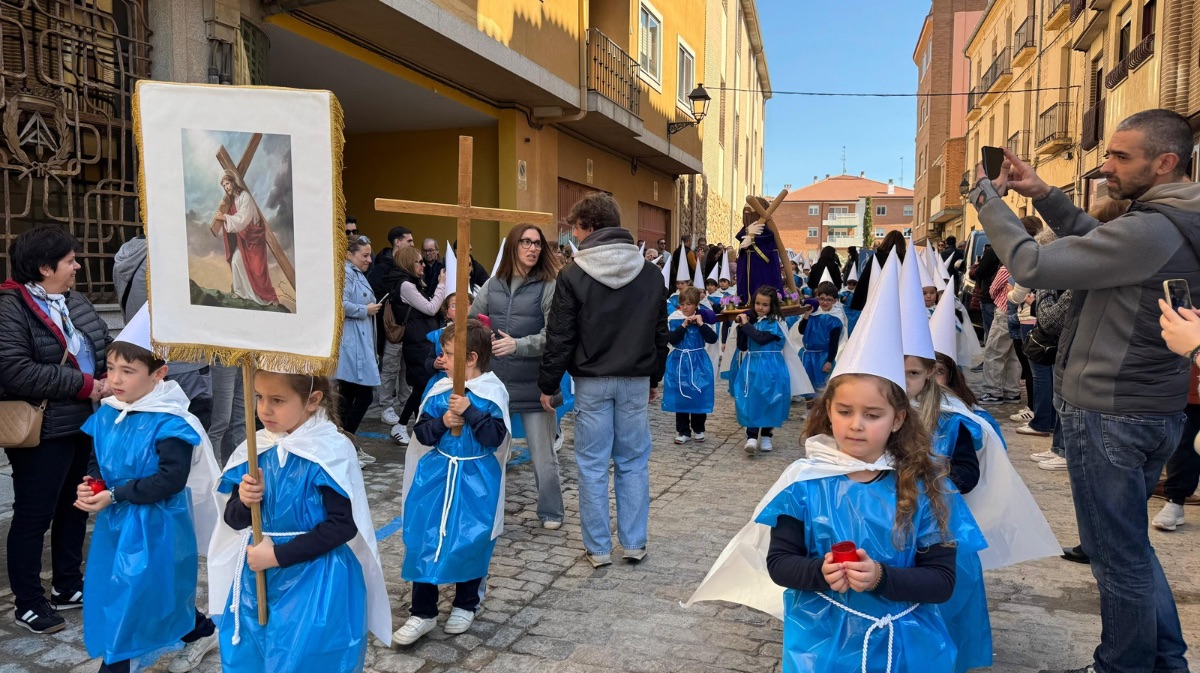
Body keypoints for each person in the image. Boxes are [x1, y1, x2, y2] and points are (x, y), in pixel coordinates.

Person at [972, 109, 1200, 673]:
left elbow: (1030, 263)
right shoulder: (1171, 221)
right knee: (1131, 550)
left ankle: (1120, 666)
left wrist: (988, 199)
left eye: (1121, 157)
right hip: (1149, 408)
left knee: (1114, 556)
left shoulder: (1151, 228)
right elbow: (1099, 239)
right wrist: (1044, 194)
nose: (1104, 167)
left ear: (1165, 162)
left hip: (1111, 412)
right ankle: (1166, 659)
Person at [208, 372, 390, 672]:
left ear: (312, 401)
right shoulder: (257, 447)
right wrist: (244, 499)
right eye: (259, 397)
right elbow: (233, 518)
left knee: (303, 660)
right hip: (260, 579)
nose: (264, 409)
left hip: (316, 578)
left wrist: (277, 555)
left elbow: (343, 524)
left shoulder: (329, 450)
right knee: (256, 656)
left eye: (277, 400)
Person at [75, 312, 222, 673]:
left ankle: (116, 665)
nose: (116, 379)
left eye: (128, 371)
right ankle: (201, 631)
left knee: (135, 594)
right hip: (118, 520)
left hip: (158, 522)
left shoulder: (170, 421)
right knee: (140, 591)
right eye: (110, 369)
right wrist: (91, 484)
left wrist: (116, 494)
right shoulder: (109, 412)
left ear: (159, 374)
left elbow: (170, 479)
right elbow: (99, 460)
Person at [539, 193, 668, 568]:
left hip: (592, 381)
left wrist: (549, 384)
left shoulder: (574, 273)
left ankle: (597, 549)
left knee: (592, 465)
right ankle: (634, 542)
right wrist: (654, 377)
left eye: (575, 229)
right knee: (633, 462)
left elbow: (559, 335)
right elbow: (660, 333)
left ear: (589, 227)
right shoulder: (649, 273)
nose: (573, 236)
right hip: (634, 379)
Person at [0, 226, 113, 634]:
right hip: (42, 429)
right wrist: (87, 384)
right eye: (69, 260)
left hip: (81, 421)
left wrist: (111, 372)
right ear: (45, 267)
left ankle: (68, 585)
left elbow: (98, 342)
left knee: (74, 506)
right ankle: (27, 602)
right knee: (34, 514)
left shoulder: (73, 300)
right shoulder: (10, 306)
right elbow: (16, 370)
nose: (77, 266)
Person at [394, 320, 510, 645]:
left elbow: (493, 438)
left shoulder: (491, 392)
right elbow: (422, 433)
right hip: (437, 475)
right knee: (423, 536)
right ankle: (423, 611)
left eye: (447, 354)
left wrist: (471, 411)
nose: (441, 360)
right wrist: (445, 420)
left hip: (475, 479)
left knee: (470, 539)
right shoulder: (441, 389)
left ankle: (465, 603)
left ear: (470, 359)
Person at [469, 224, 566, 530]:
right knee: (490, 452)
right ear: (513, 245)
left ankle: (552, 512)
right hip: (495, 384)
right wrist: (482, 334)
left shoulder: (548, 284)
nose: (533, 248)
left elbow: (554, 335)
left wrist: (518, 345)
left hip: (535, 383)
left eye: (537, 243)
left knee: (543, 455)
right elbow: (473, 322)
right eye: (526, 242)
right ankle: (484, 512)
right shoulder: (493, 284)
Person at [113, 234, 213, 429]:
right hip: (185, 364)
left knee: (151, 433)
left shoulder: (126, 254)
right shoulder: (171, 255)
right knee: (187, 436)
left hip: (143, 361)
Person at [385, 246, 447, 445]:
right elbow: (430, 308)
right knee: (422, 386)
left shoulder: (411, 283)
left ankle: (416, 425)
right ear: (408, 263)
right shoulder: (405, 285)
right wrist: (442, 286)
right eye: (418, 261)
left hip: (421, 340)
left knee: (422, 386)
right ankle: (402, 425)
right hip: (417, 342)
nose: (422, 265)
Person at [731, 287, 792, 454]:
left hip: (771, 365)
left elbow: (761, 338)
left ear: (772, 306)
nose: (760, 307)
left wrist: (746, 324)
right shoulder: (752, 321)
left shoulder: (776, 323)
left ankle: (766, 435)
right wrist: (741, 328)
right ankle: (751, 435)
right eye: (757, 303)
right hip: (752, 365)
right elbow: (742, 346)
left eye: (765, 304)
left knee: (770, 399)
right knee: (751, 397)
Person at [339, 237, 382, 466]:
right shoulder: (346, 274)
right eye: (364, 255)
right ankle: (345, 443)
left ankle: (345, 444)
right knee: (361, 396)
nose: (369, 259)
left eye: (369, 255)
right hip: (352, 343)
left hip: (358, 341)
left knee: (348, 397)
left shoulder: (356, 274)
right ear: (349, 254)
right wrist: (364, 310)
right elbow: (339, 303)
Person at [368, 226, 415, 427]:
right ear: (397, 242)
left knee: (407, 368)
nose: (413, 244)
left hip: (409, 329)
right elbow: (375, 296)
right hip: (391, 329)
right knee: (389, 368)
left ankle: (406, 404)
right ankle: (386, 406)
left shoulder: (409, 266)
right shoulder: (382, 267)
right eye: (409, 241)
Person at [214, 170, 278, 306]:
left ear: (233, 182)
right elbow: (233, 222)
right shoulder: (232, 201)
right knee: (236, 261)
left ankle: (269, 297)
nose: (226, 187)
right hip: (243, 240)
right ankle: (241, 292)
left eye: (227, 183)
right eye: (224, 185)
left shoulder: (245, 197)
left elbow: (243, 219)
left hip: (253, 238)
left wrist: (224, 217)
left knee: (257, 270)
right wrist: (224, 213)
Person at [664, 287, 718, 444]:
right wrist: (684, 326)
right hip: (679, 360)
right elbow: (672, 339)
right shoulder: (674, 318)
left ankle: (699, 428)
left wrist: (701, 325)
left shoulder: (702, 318)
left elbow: (712, 339)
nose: (685, 307)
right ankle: (683, 430)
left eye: (688, 304)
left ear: (696, 304)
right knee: (680, 394)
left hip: (698, 361)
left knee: (698, 393)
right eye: (682, 304)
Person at [734, 199, 786, 306]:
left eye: (750, 212)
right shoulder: (746, 231)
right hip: (746, 270)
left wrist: (752, 239)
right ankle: (745, 300)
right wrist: (748, 234)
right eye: (745, 212)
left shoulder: (768, 233)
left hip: (761, 270)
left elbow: (767, 246)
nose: (747, 215)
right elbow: (742, 241)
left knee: (761, 293)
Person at [794, 282, 844, 392]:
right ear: (817, 298)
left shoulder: (835, 319)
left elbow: (833, 343)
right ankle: (810, 408)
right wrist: (806, 315)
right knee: (808, 387)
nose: (825, 302)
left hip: (823, 357)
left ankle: (820, 408)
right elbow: (802, 331)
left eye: (829, 299)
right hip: (808, 355)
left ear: (835, 301)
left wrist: (829, 361)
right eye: (822, 299)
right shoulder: (813, 314)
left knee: (822, 388)